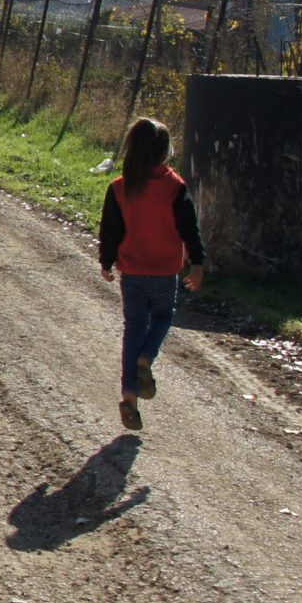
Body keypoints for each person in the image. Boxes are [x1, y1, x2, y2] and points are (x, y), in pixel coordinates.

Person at [98, 116, 207, 432]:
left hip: (132, 271)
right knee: (161, 318)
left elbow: (110, 232)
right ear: (165, 152)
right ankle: (146, 358)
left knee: (133, 327)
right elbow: (190, 229)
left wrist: (106, 261)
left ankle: (129, 395)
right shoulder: (175, 187)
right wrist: (197, 263)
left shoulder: (119, 187)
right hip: (164, 272)